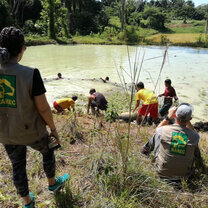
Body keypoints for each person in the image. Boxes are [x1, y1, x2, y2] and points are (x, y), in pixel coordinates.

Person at [0, 27, 69, 208]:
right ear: (22, 49)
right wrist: (53, 129)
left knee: (17, 166)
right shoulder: (31, 74)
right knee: (48, 150)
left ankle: (27, 203)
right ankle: (53, 184)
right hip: (32, 131)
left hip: (5, 133)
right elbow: (44, 109)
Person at [141, 103, 204, 180]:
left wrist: (168, 117)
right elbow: (192, 132)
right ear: (190, 119)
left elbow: (157, 130)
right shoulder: (195, 136)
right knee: (194, 145)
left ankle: (145, 151)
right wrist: (187, 120)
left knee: (157, 135)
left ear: (174, 116)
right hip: (184, 176)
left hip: (162, 171)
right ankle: (200, 165)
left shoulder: (163, 130)